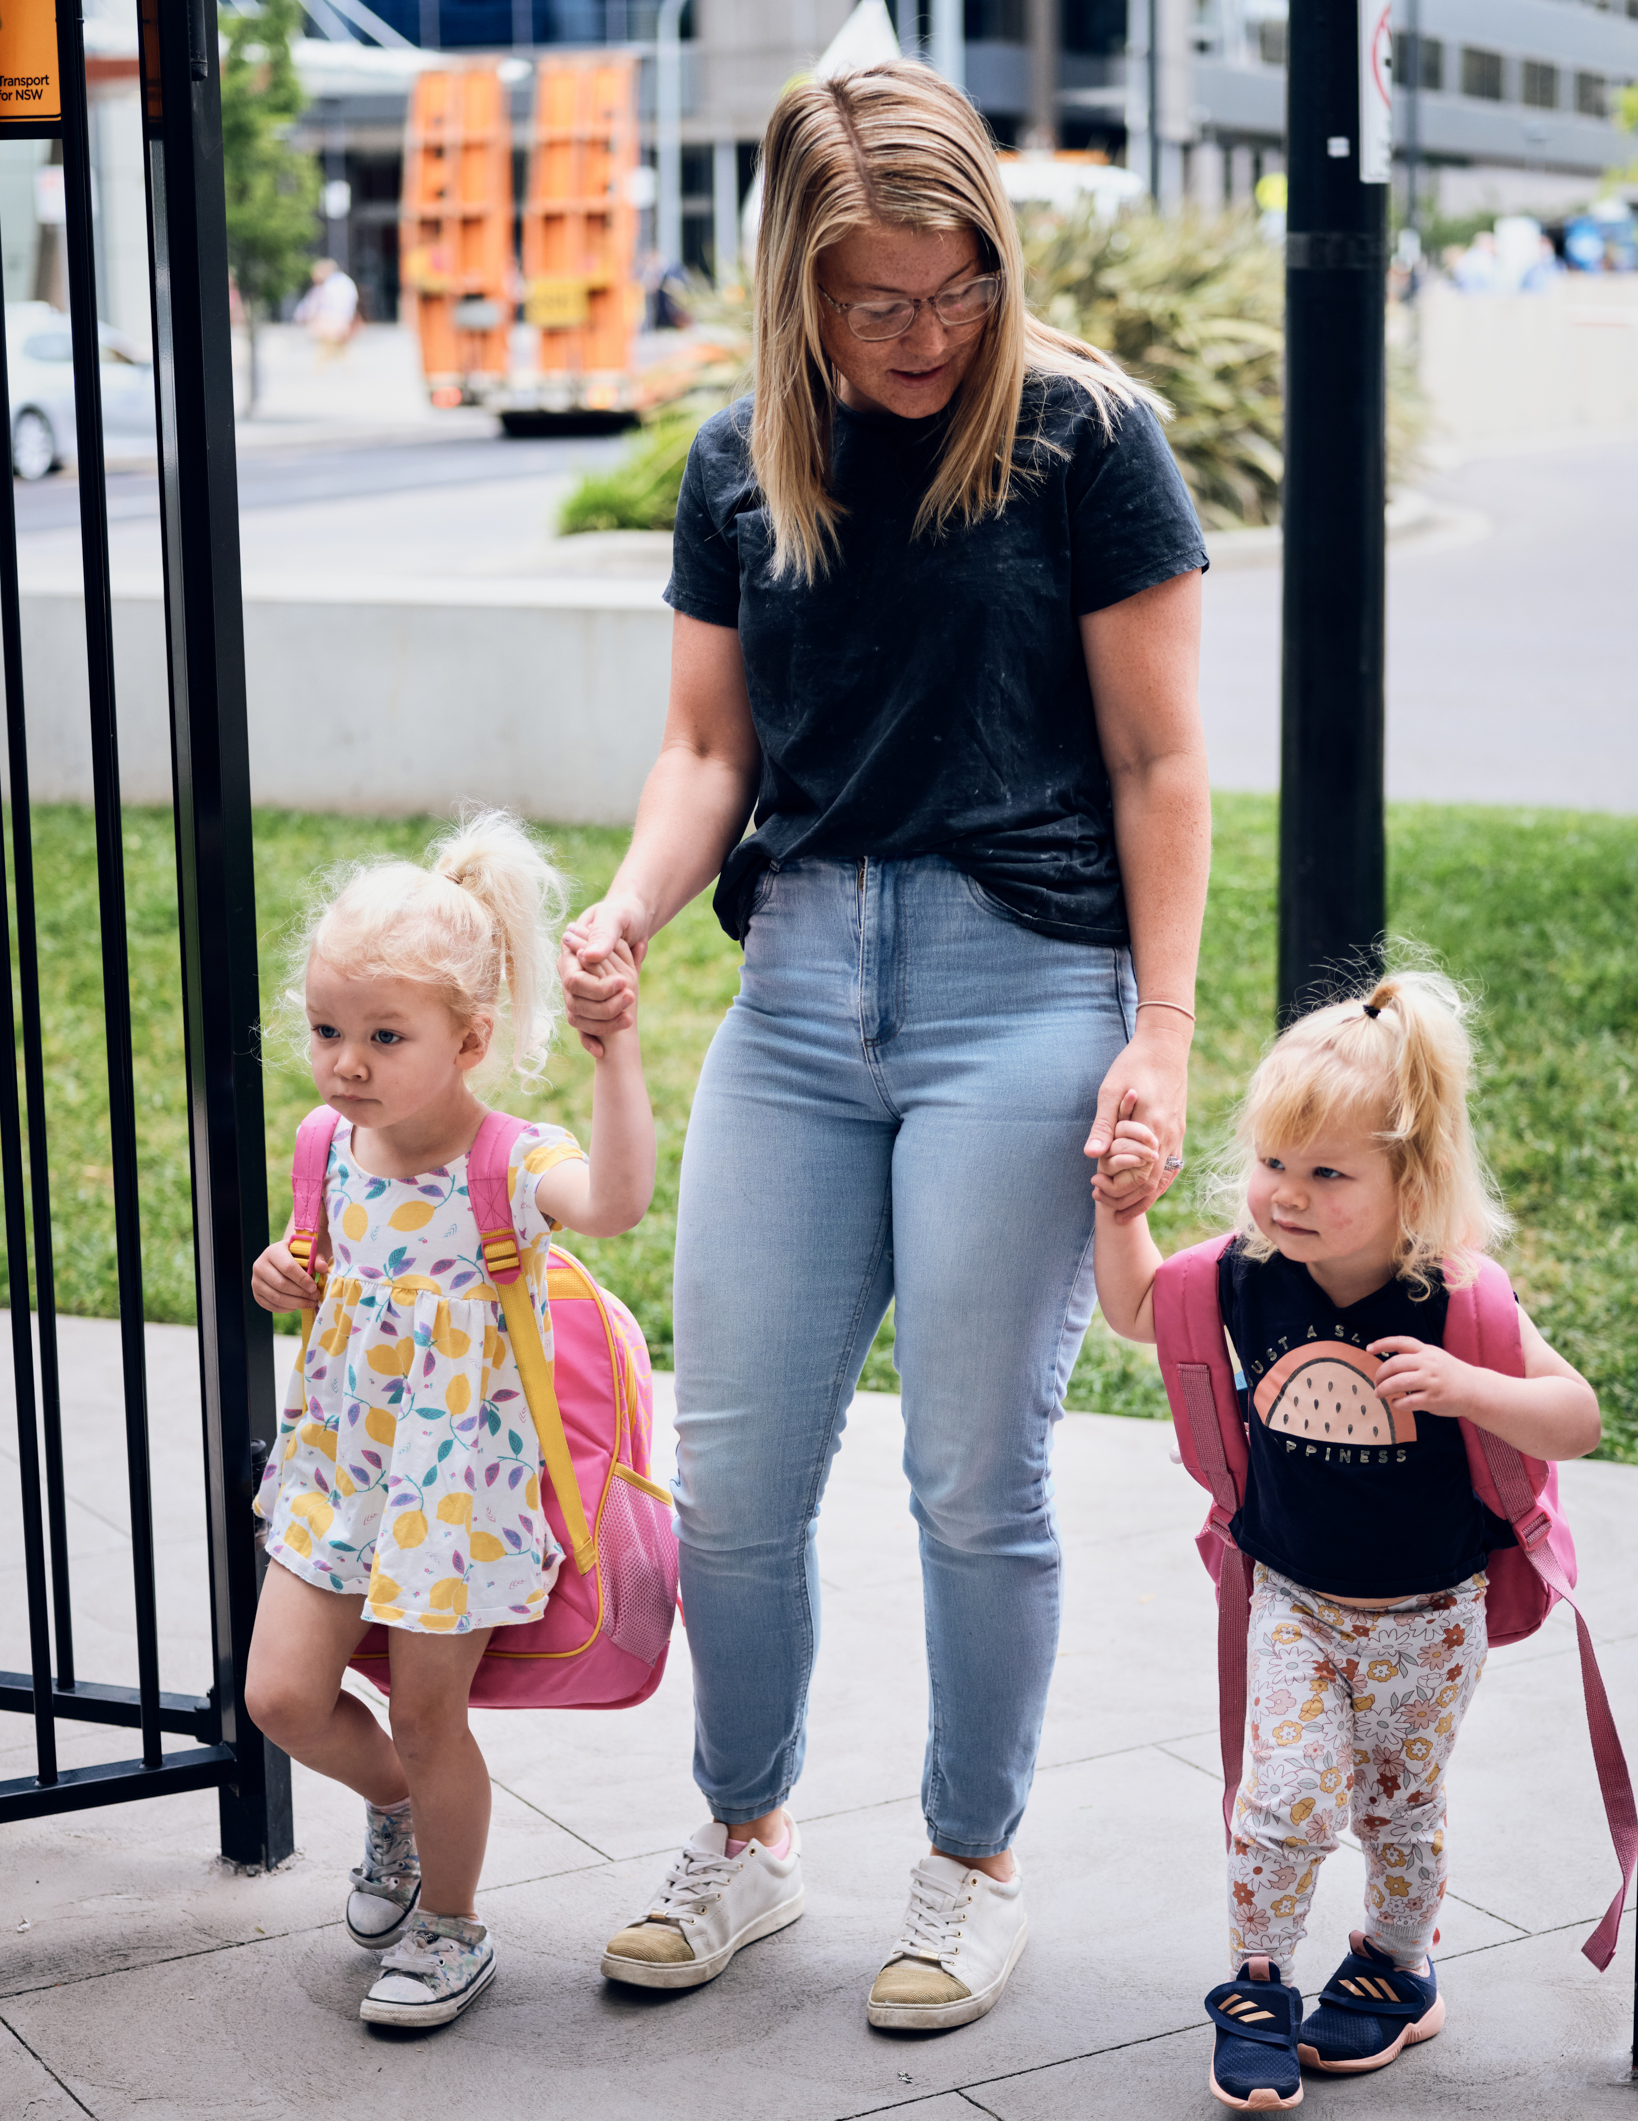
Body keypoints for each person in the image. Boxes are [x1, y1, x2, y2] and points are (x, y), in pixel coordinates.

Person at [558, 58, 1210, 2032]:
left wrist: (1160, 1032)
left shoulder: (1086, 438)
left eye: (957, 289)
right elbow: (704, 749)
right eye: (876, 302)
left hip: (1021, 991)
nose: (925, 334)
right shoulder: (738, 460)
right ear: (799, 286)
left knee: (969, 1476)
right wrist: (628, 908)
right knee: (734, 1473)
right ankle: (742, 1838)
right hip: (794, 998)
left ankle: (970, 1864)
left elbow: (1158, 759)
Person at [1089, 962, 1603, 2111]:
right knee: (1280, 1802)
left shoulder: (1453, 1298)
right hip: (1294, 1599)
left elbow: (1575, 1418)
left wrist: (1468, 1387)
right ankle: (1257, 1983)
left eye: (1327, 1173)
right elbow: (1132, 1310)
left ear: (1410, 1181)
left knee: (1397, 1814)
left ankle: (1395, 1970)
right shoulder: (1245, 1278)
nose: (1288, 1195)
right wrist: (1120, 1216)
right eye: (1274, 1163)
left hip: (1431, 1614)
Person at [243, 814, 656, 2031]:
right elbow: (330, 1271)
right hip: (340, 1472)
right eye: (327, 1030)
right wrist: (285, 1271)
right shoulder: (326, 1147)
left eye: (384, 1036)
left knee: (430, 1720)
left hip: (456, 1491)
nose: (345, 1063)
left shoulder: (507, 1166)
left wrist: (614, 1056)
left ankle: (453, 1926)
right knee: (279, 1699)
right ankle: (398, 1815)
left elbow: (614, 1202)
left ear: (470, 1039)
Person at [297, 255, 360, 364]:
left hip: (333, 322)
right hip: (344, 320)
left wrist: (304, 317)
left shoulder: (328, 286)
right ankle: (342, 361)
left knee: (324, 344)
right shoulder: (344, 281)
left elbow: (313, 306)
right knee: (336, 346)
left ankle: (324, 363)